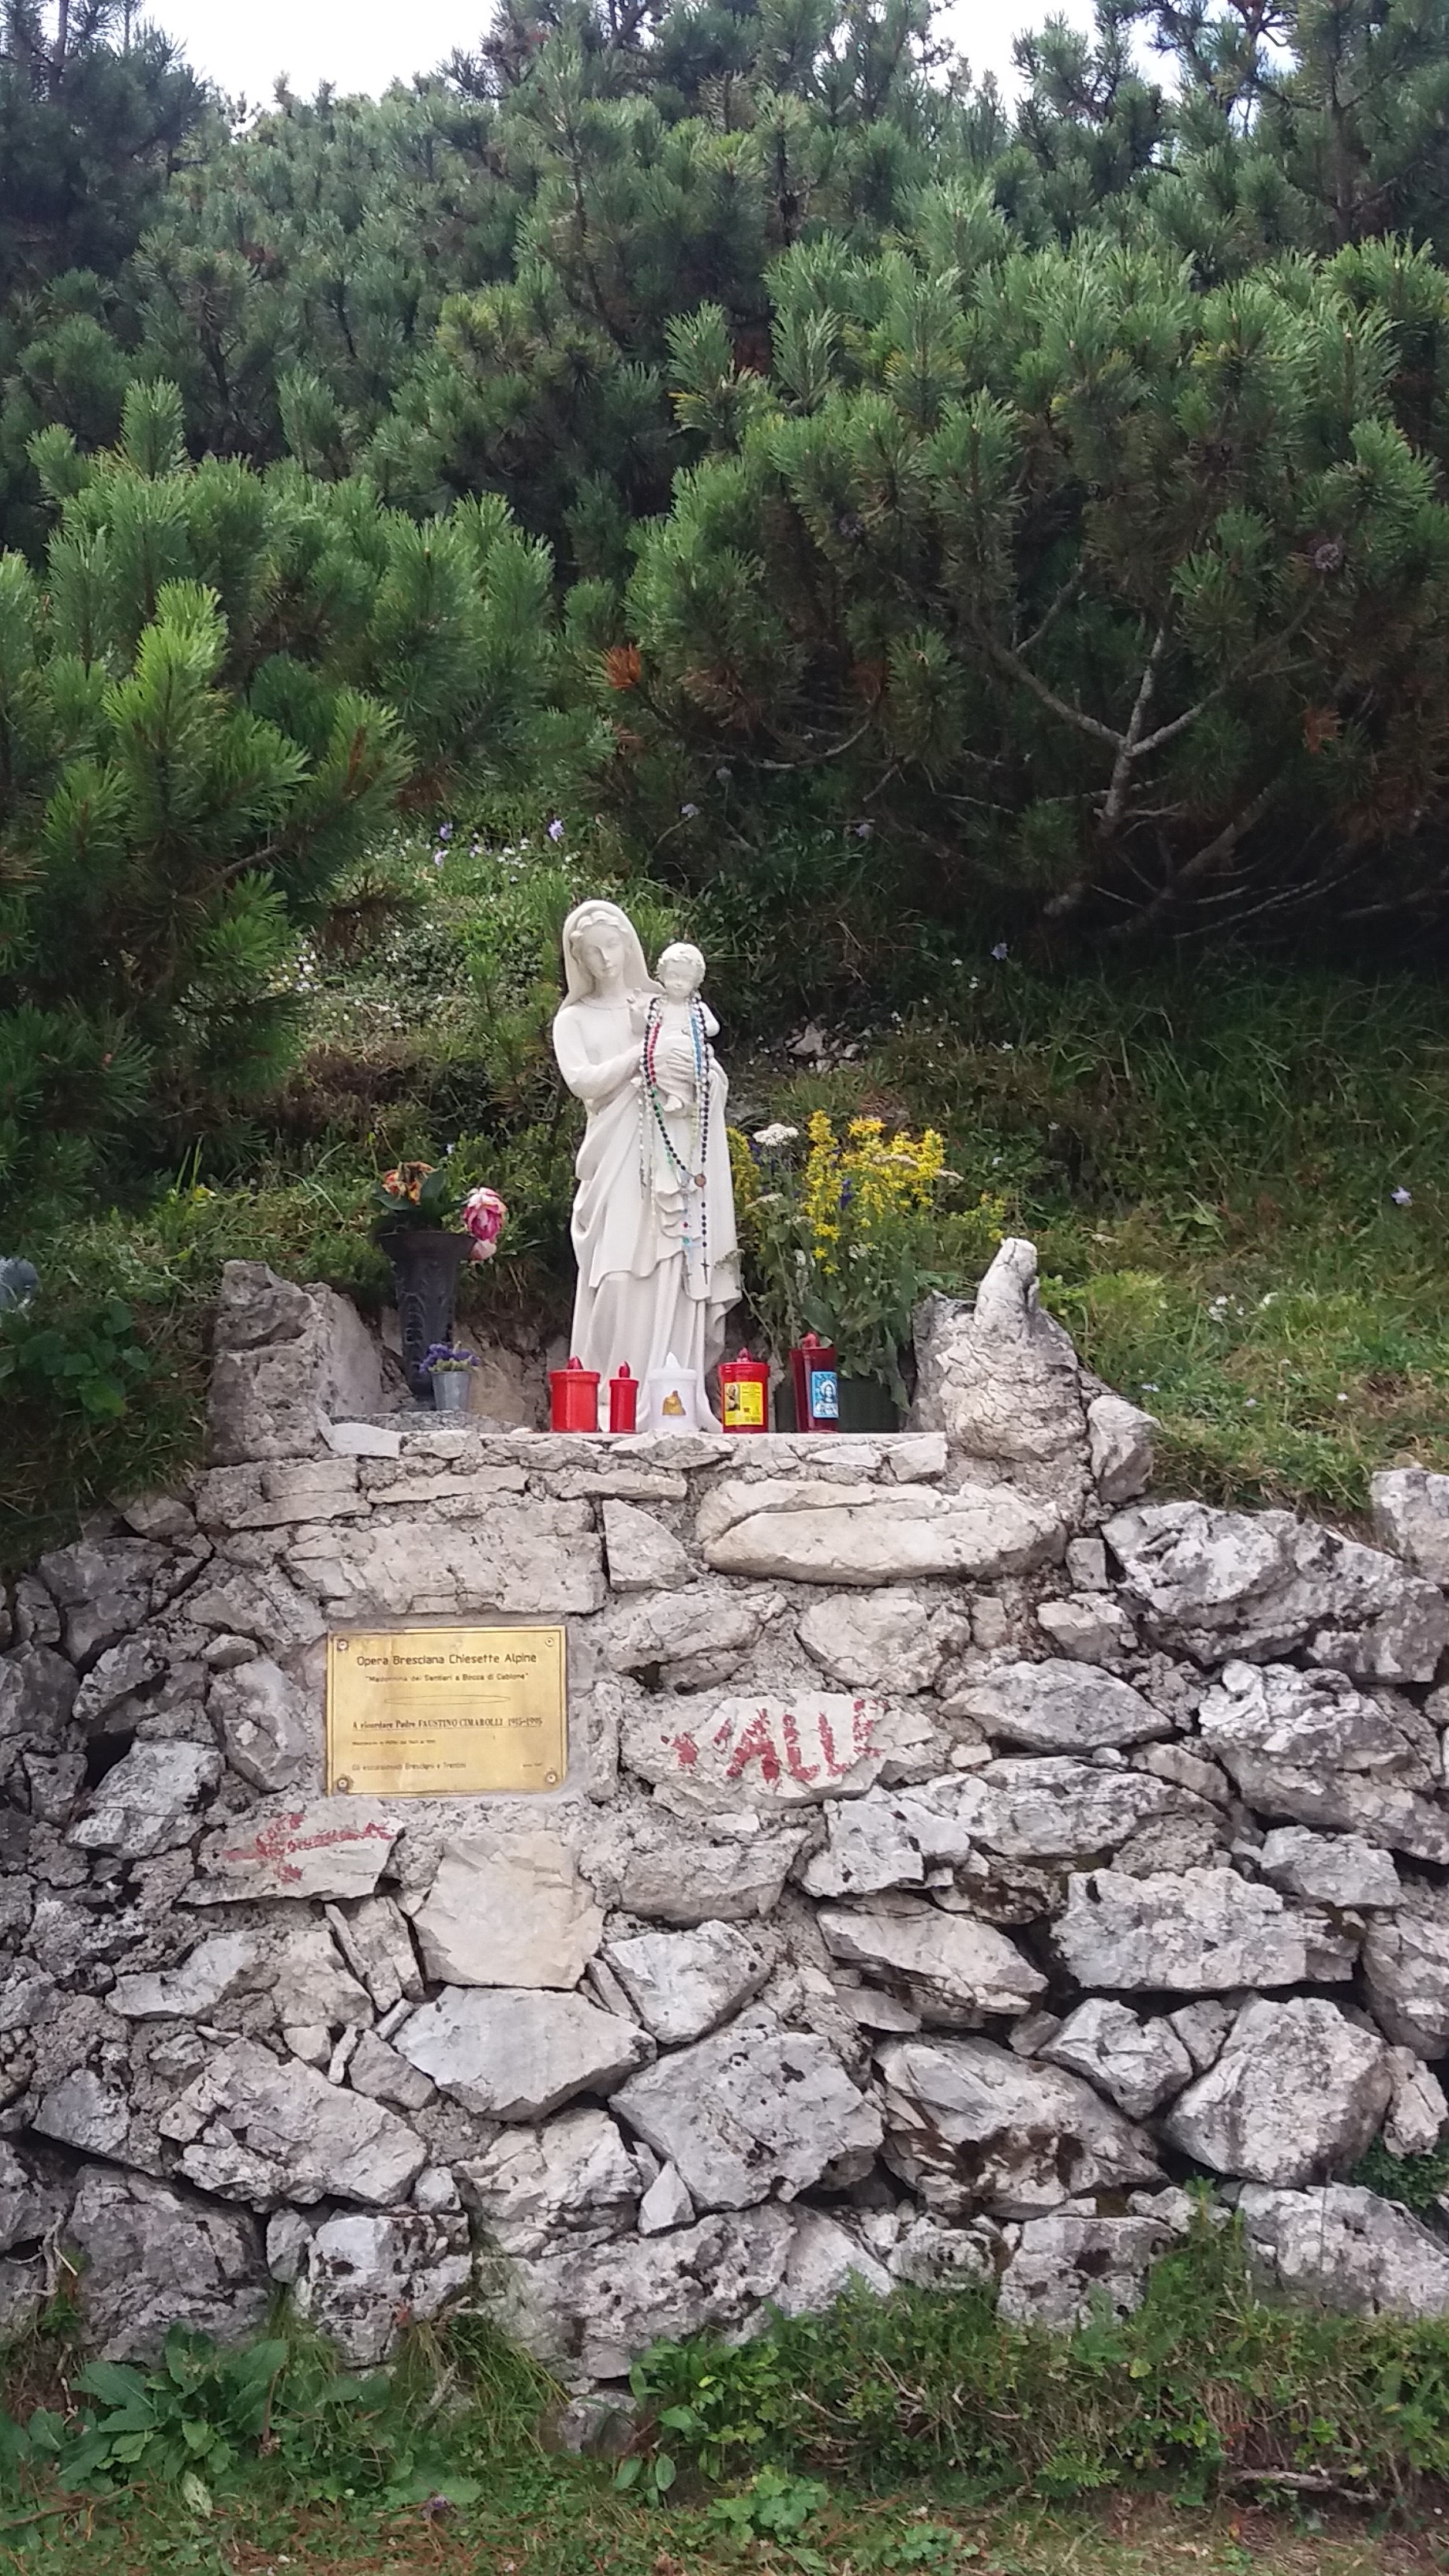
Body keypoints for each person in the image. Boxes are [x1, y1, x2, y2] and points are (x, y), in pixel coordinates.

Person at [552, 901, 739, 1417]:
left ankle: (671, 1398)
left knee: (673, 1267)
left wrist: (701, 1078)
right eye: (592, 952)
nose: (605, 959)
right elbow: (583, 1081)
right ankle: (613, 1396)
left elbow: (710, 1071)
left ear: (630, 945)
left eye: (612, 945)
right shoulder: (574, 1019)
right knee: (615, 1275)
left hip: (670, 1150)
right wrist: (644, 1055)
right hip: (615, 1156)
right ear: (578, 960)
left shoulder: (663, 1004)